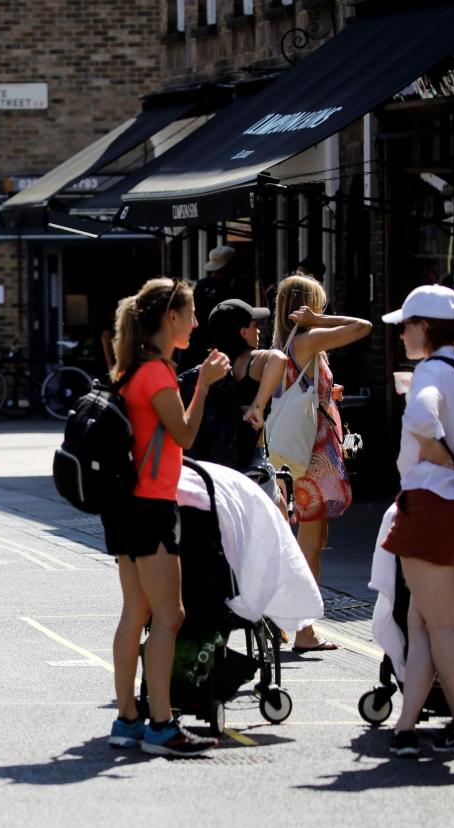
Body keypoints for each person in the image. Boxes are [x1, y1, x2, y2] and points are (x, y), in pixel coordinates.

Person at [104, 277, 229, 757]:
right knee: (169, 613)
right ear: (169, 319)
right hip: (151, 504)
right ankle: (161, 724)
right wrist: (204, 385)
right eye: (191, 313)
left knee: (135, 611)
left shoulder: (132, 368)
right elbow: (186, 434)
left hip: (125, 504)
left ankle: (127, 719)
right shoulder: (156, 374)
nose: (196, 323)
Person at [381, 285, 454, 757]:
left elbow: (425, 417)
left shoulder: (429, 370)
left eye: (405, 326)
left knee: (440, 623)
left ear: (423, 327)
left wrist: (437, 449)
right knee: (424, 620)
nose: (401, 334)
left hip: (432, 506)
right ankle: (405, 729)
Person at [271, 275, 372, 652]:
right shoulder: (307, 337)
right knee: (310, 545)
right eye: (319, 305)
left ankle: (287, 618)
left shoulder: (284, 343)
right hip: (311, 458)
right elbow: (363, 327)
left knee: (307, 541)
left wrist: (330, 394)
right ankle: (303, 630)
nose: (325, 311)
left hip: (300, 454)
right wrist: (318, 320)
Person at [202, 299, 288, 468]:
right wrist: (257, 408)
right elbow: (279, 358)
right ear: (243, 332)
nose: (259, 331)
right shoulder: (251, 360)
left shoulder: (212, 366)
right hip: (252, 458)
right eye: (255, 325)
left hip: (217, 460)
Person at [182, 246, 241, 368]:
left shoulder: (197, 287)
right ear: (229, 267)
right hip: (219, 350)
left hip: (193, 347)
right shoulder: (229, 292)